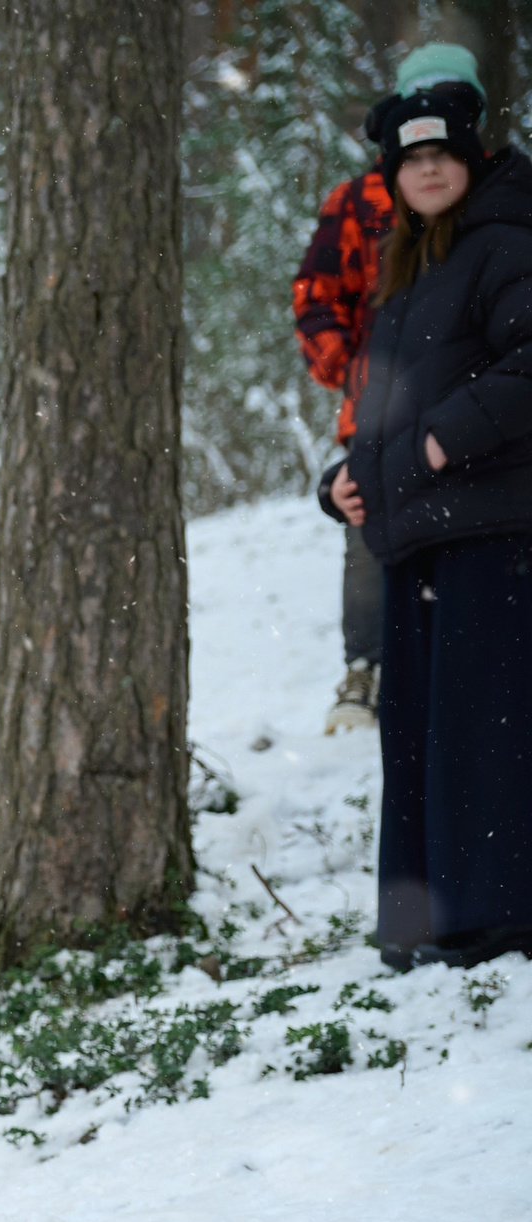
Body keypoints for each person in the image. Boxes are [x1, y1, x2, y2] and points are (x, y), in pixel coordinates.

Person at [318, 80, 532, 970]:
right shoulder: (407, 268)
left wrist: (447, 438)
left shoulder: (506, 242)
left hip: (494, 532)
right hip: (422, 536)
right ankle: (428, 920)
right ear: (394, 177)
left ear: (471, 160)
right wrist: (344, 481)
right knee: (419, 736)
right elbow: (385, 409)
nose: (431, 170)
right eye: (414, 160)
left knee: (484, 733)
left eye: (444, 154)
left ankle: (498, 916)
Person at [295, 43, 483, 736]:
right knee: (369, 531)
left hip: (476, 406)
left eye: (453, 101)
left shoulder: (490, 189)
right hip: (382, 411)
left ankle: (460, 667)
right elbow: (316, 297)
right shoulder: (357, 201)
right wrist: (355, 374)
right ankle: (365, 668)